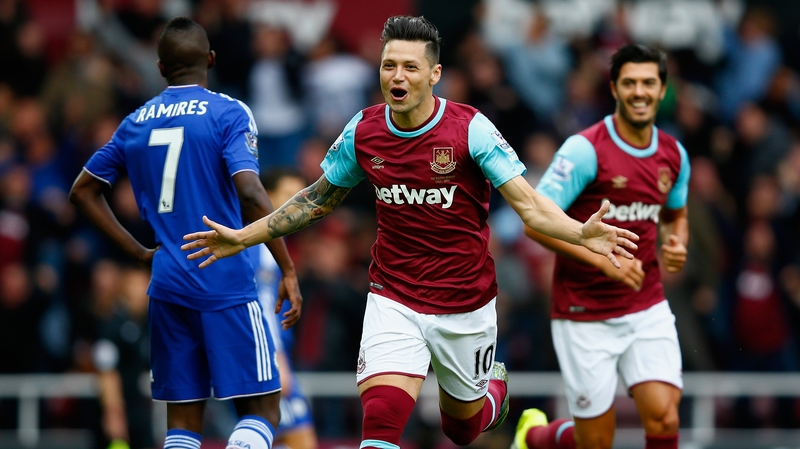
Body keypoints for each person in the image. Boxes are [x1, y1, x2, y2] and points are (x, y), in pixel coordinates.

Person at [181, 16, 638, 449]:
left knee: (461, 430)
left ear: (434, 73)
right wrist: (243, 237)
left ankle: (494, 391)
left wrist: (581, 234)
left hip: (465, 303)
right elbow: (316, 199)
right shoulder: (364, 131)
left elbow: (530, 207)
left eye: (410, 67)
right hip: (393, 296)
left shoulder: (470, 130)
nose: (396, 75)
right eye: (388, 65)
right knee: (380, 419)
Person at [69, 17, 303, 449]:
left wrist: (141, 253)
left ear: (160, 68)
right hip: (224, 280)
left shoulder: (135, 122)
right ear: (210, 60)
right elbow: (251, 192)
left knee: (182, 420)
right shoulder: (228, 112)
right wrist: (286, 266)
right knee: (265, 409)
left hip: (167, 284)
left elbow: (82, 191)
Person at [512, 44, 690, 449]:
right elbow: (536, 225)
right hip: (583, 311)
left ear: (663, 90)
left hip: (645, 304)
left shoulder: (673, 155)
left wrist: (677, 240)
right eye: (630, 82)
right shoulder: (584, 150)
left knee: (664, 417)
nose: (640, 91)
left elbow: (674, 214)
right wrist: (605, 262)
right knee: (596, 441)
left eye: (649, 82)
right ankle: (535, 436)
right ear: (614, 88)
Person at [254, 168, 318, 449]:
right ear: (265, 197)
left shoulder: (275, 244)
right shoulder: (259, 245)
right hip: (264, 357)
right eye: (289, 196)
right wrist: (276, 357)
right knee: (301, 441)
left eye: (301, 197)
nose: (297, 205)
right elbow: (262, 306)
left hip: (262, 355)